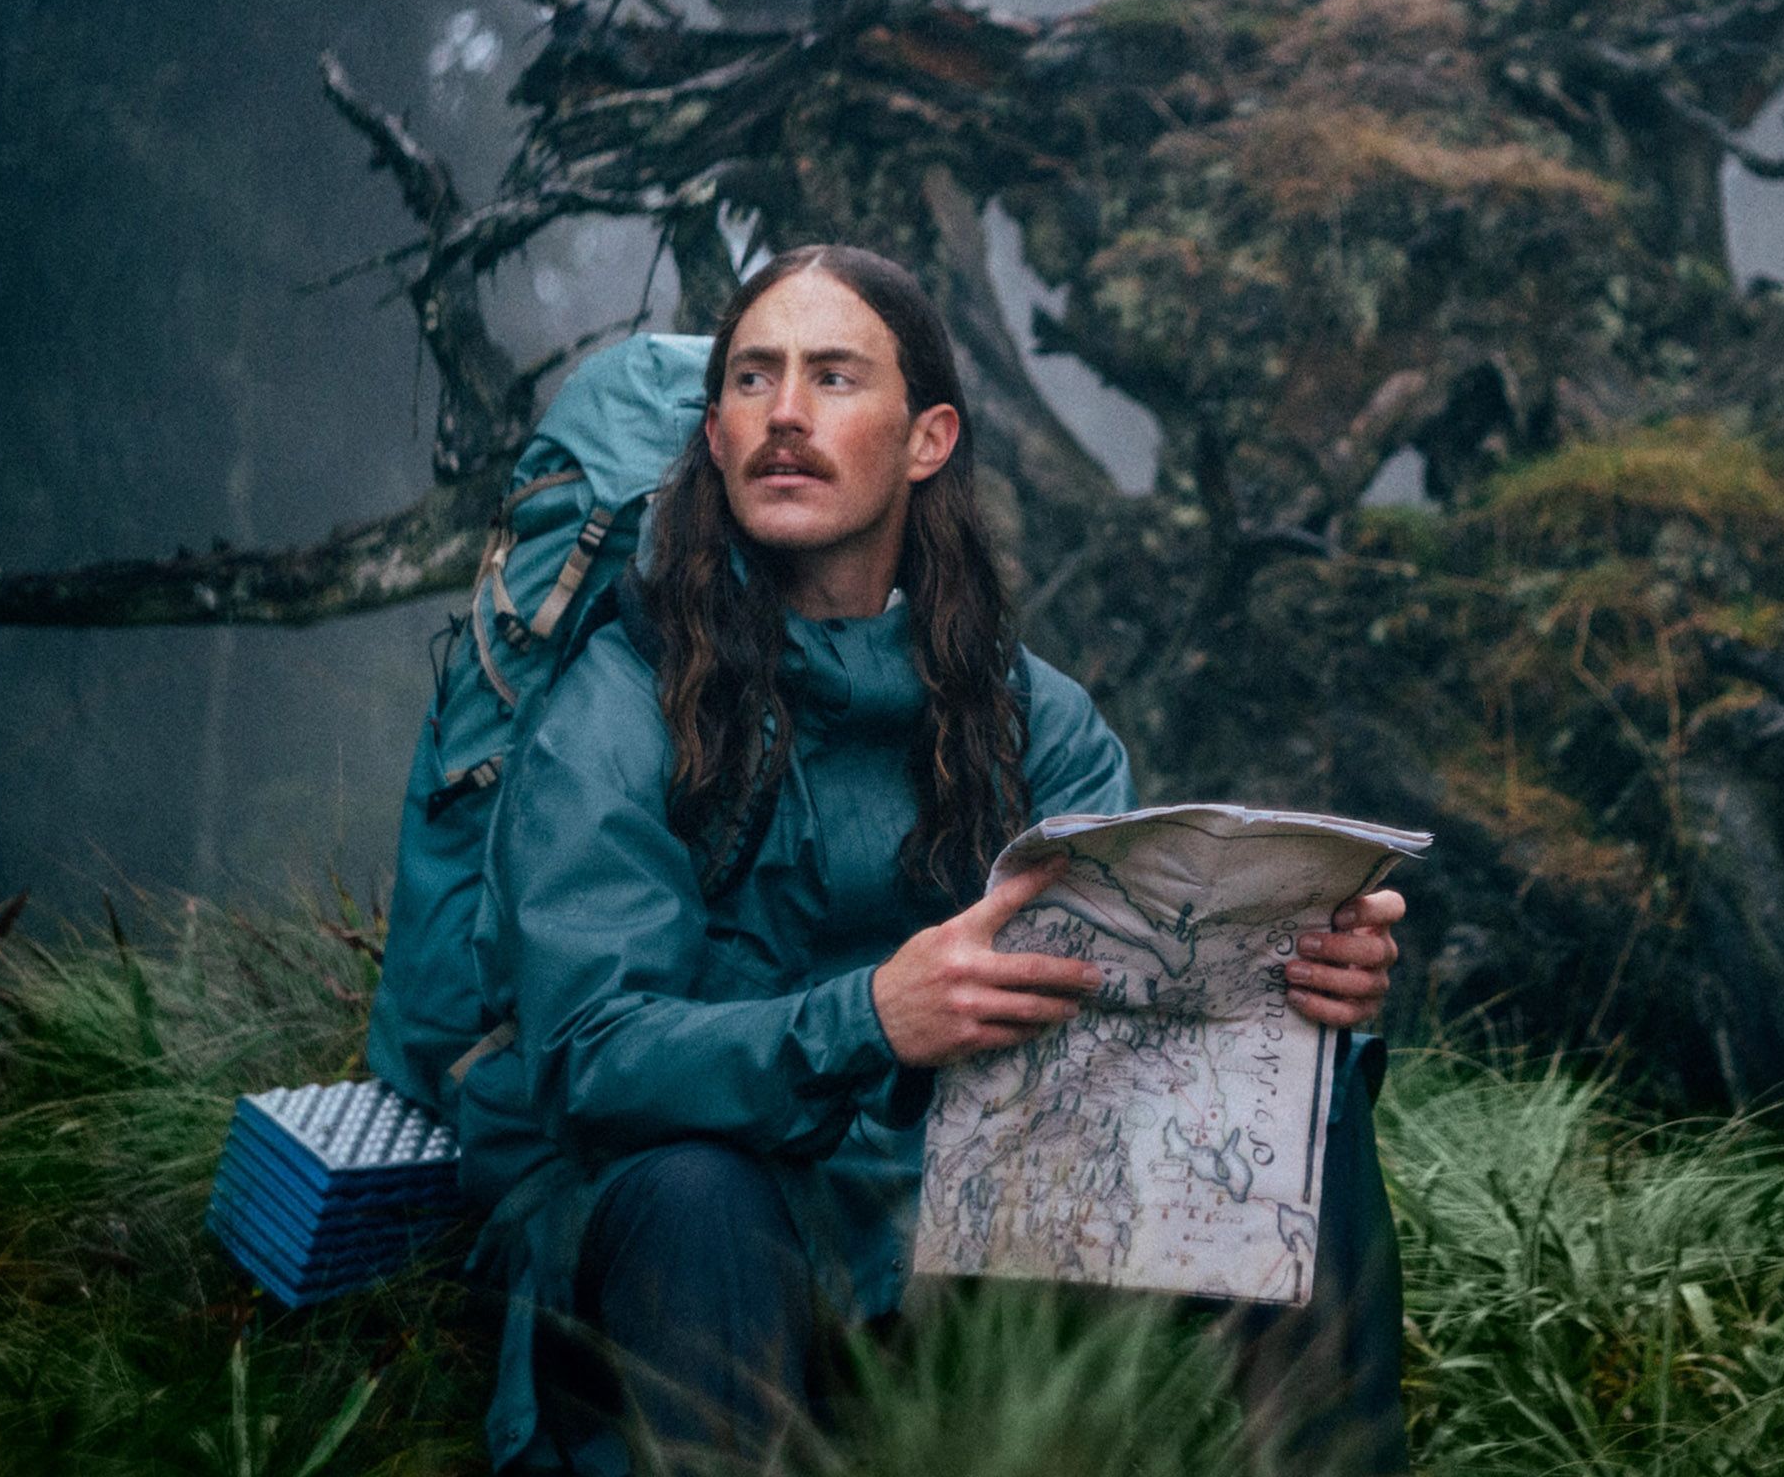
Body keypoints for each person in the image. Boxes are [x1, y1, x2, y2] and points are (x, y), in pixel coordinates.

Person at [448, 244, 1411, 1472]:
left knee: (1314, 1121)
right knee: (698, 1189)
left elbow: (1129, 1025)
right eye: (750, 379)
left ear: (929, 437)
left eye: (834, 377)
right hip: (699, 1246)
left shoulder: (1030, 715)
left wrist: (1290, 982)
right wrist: (874, 1017)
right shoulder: (621, 700)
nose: (783, 415)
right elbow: (589, 1053)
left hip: (954, 1217)